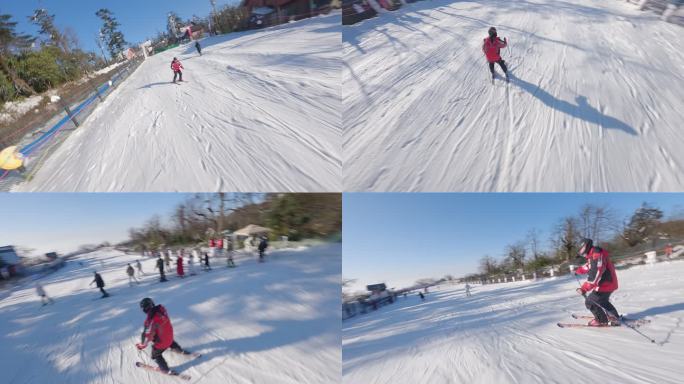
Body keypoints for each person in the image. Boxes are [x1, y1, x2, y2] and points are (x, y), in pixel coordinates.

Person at [136, 298, 191, 375]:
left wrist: (142, 345)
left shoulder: (149, 321)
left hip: (162, 343)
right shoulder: (162, 309)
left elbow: (146, 336)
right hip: (170, 336)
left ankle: (165, 369)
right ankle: (179, 350)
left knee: (156, 354)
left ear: (144, 310)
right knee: (169, 341)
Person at [574, 238, 620, 326]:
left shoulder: (597, 255)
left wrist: (584, 289)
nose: (581, 252)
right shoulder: (593, 254)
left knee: (590, 301)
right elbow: (590, 266)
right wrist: (579, 271)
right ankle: (614, 317)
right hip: (607, 283)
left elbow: (595, 274)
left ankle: (601, 320)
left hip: (606, 284)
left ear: (586, 246)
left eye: (581, 250)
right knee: (602, 301)